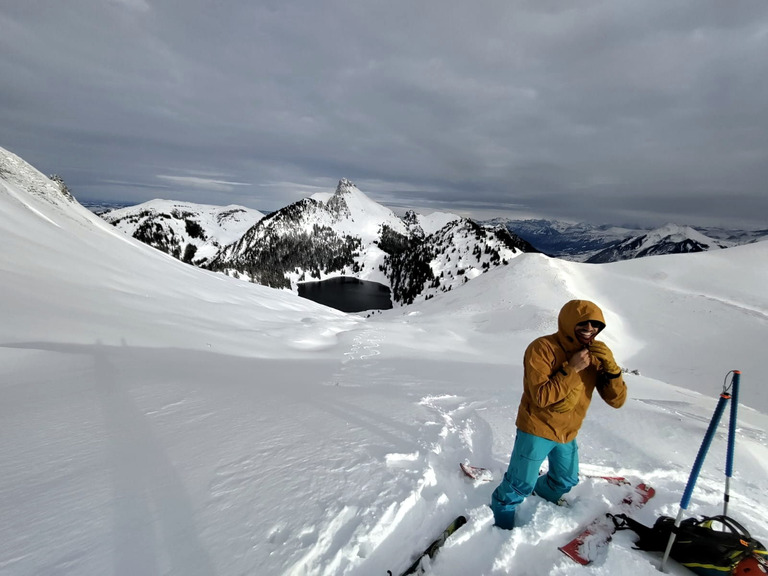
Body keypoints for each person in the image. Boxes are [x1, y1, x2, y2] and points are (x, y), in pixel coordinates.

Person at [490, 299, 627, 529]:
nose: (590, 331)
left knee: (566, 479)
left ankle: (542, 495)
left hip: (567, 431)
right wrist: (572, 369)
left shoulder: (595, 355)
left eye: (595, 326)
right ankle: (500, 522)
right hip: (537, 427)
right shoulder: (542, 348)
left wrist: (612, 370)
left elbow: (617, 401)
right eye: (583, 326)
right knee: (518, 485)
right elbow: (541, 397)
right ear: (568, 324)